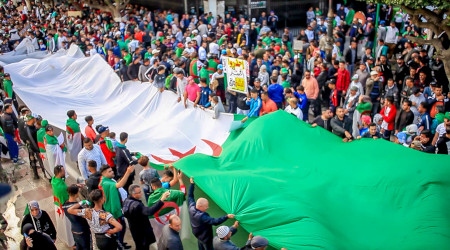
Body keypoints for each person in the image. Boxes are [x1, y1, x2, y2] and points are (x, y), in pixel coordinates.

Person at [188, 177, 234, 250]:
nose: (208, 207)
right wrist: (227, 216)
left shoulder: (191, 207)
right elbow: (215, 222)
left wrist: (192, 184)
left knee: (200, 246)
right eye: (206, 206)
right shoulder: (202, 217)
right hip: (206, 239)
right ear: (200, 206)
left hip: (198, 235)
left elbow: (190, 196)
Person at [123, 184, 169, 250]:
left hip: (134, 231)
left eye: (140, 191)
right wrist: (162, 200)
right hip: (142, 233)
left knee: (139, 246)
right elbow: (149, 211)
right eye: (139, 192)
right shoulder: (137, 205)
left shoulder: (126, 201)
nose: (141, 193)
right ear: (133, 194)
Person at [99, 164, 135, 249]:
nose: (112, 172)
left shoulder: (106, 180)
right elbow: (119, 185)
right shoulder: (106, 183)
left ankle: (121, 243)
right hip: (114, 212)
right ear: (104, 174)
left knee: (122, 229)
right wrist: (128, 172)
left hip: (116, 210)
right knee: (119, 230)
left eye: (111, 170)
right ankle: (119, 246)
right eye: (110, 171)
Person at [148, 176, 186, 240]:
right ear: (161, 184)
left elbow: (151, 213)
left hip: (161, 228)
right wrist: (180, 179)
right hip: (173, 225)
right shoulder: (173, 193)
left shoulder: (151, 199)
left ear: (153, 187)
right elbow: (183, 193)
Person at [51, 165, 74, 247]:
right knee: (67, 224)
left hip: (57, 205)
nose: (65, 172)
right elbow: (68, 199)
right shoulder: (61, 188)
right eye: (63, 171)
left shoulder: (54, 179)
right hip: (63, 207)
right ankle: (71, 242)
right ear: (59, 173)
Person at [63, 184, 91, 250]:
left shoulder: (65, 205)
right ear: (76, 194)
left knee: (79, 247)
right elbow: (86, 215)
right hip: (82, 230)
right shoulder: (76, 208)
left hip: (74, 230)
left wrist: (76, 186)